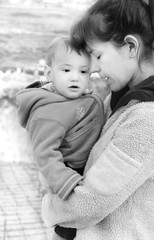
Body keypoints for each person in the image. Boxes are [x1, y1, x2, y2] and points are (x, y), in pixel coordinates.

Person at [41, 0, 154, 240]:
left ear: (131, 46)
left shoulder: (150, 119)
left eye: (97, 55)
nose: (94, 69)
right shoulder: (120, 98)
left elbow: (92, 201)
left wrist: (49, 206)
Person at [16, 36, 104, 240]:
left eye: (83, 72)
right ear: (49, 73)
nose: (75, 78)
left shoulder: (73, 97)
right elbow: (44, 154)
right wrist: (66, 182)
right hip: (70, 173)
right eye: (66, 70)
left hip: (86, 166)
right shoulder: (48, 113)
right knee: (67, 228)